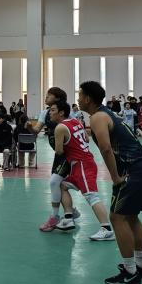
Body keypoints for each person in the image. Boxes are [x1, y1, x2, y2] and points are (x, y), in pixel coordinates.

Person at [80, 80, 142, 284]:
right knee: (131, 217)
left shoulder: (97, 117)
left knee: (117, 217)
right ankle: (141, 266)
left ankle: (130, 272)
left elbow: (105, 148)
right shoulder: (107, 114)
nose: (78, 99)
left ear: (88, 98)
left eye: (80, 95)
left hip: (131, 169)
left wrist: (115, 177)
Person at [40, 101, 114, 240]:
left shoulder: (60, 128)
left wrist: (59, 141)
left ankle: (107, 229)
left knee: (92, 196)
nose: (50, 113)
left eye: (53, 110)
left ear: (61, 112)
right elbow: (86, 139)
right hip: (81, 164)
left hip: (82, 165)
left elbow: (59, 151)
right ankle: (68, 218)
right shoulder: (75, 121)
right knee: (62, 186)